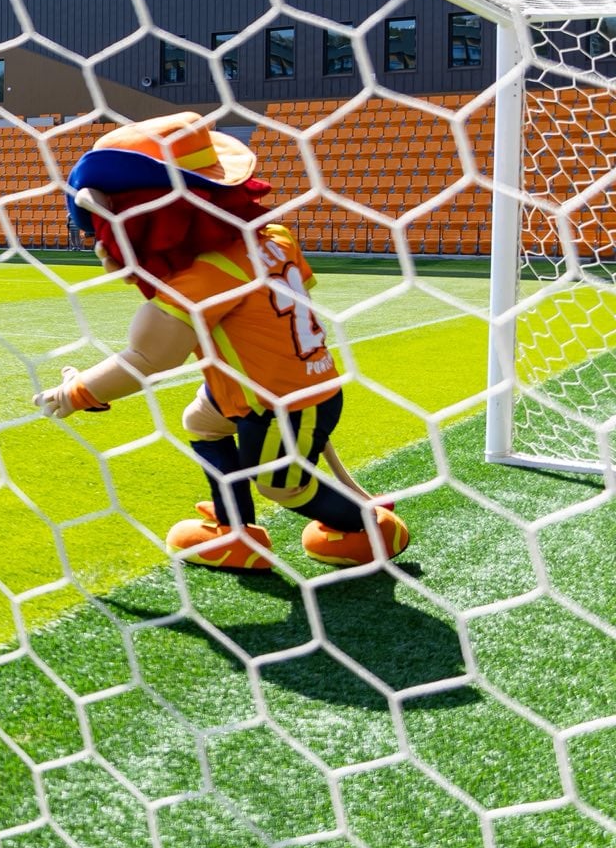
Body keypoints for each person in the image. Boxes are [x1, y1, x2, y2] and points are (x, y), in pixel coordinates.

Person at [32, 113, 409, 569]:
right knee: (203, 422)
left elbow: (147, 358)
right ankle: (235, 532)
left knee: (282, 486)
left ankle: (372, 530)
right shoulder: (274, 236)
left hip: (280, 404)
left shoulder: (205, 278)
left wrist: (74, 392)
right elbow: (295, 293)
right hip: (270, 383)